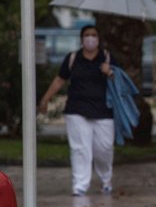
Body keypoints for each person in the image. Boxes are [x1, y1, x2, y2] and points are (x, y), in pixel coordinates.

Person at [39, 25, 117, 196]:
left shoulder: (107, 57)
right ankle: (80, 185)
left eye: (94, 35)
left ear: (99, 38)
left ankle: (106, 179)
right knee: (80, 149)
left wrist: (109, 72)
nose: (90, 38)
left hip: (103, 111)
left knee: (103, 149)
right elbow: (60, 80)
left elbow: (120, 81)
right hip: (76, 109)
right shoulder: (73, 58)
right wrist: (45, 99)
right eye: (87, 35)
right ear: (81, 39)